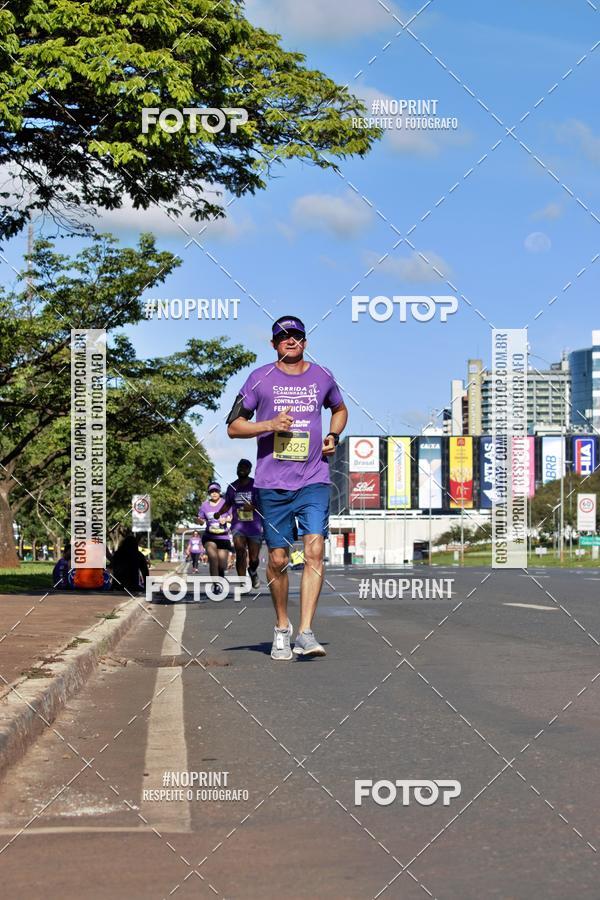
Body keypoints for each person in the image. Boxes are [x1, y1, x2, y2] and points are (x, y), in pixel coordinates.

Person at [226, 314, 347, 660]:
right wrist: (269, 424)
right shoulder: (259, 378)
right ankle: (282, 626)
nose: (290, 340)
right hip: (272, 484)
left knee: (314, 551)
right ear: (273, 343)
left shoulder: (322, 376)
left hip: (313, 479)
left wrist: (333, 435)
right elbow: (233, 426)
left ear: (305, 341)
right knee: (278, 559)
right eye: (283, 336)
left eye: (296, 335)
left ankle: (306, 632)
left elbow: (340, 409)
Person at [216, 459, 263, 590]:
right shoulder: (232, 487)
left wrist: (253, 507)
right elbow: (227, 504)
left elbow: (264, 504)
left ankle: (252, 571)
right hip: (238, 526)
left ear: (249, 470)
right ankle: (242, 582)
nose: (241, 469)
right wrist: (219, 513)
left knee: (254, 558)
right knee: (240, 552)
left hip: (254, 526)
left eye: (245, 467)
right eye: (239, 467)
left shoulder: (256, 485)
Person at [197, 483, 233, 587]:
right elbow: (201, 520)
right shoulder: (204, 505)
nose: (214, 493)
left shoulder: (226, 503)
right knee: (213, 559)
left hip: (223, 537)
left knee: (222, 565)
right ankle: (216, 585)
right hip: (209, 537)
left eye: (216, 491)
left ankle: (220, 576)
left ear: (219, 492)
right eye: (211, 492)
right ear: (209, 493)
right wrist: (199, 520)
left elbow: (232, 517)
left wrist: (226, 519)